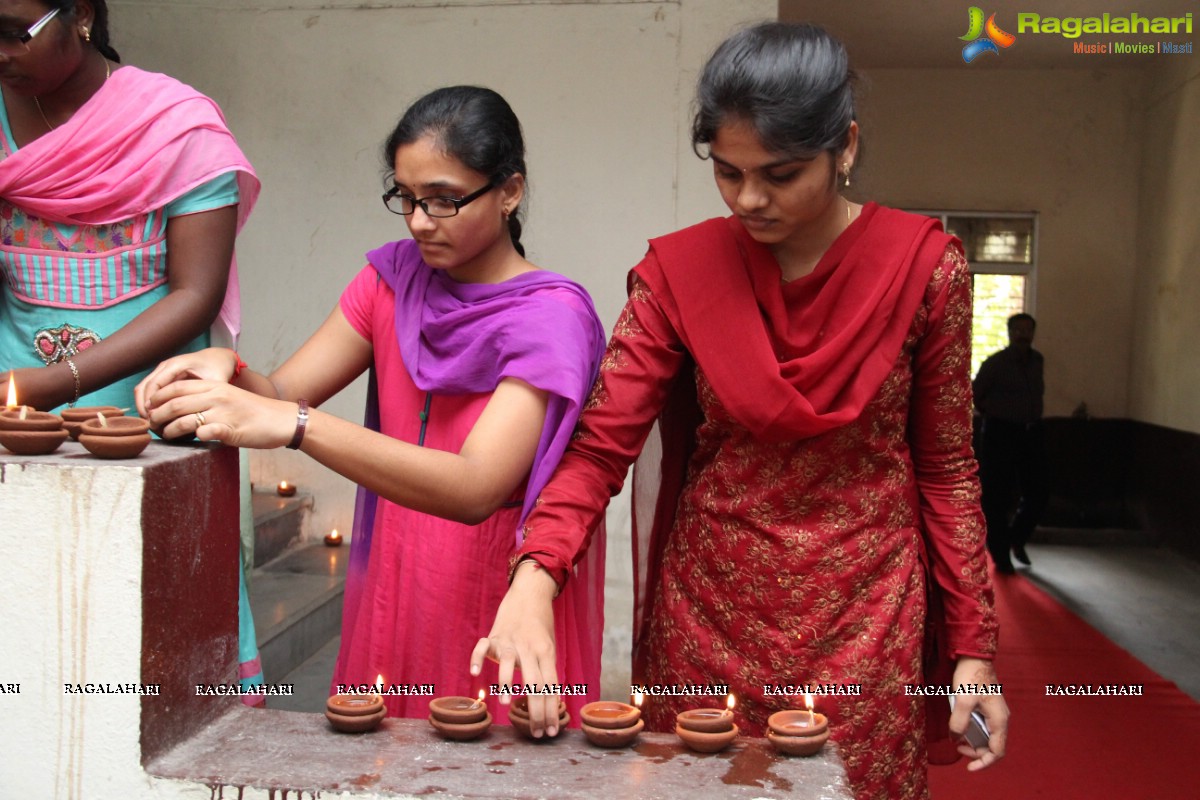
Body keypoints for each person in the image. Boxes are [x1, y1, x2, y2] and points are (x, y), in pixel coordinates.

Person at [472, 23, 1009, 799]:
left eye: (781, 174)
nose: (750, 198)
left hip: (870, 619)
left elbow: (949, 469)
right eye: (728, 172)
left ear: (846, 146)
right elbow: (598, 449)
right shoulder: (679, 274)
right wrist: (535, 574)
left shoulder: (927, 269)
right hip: (709, 616)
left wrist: (972, 647)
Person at [136, 86, 607, 723]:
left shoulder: (552, 317)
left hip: (493, 583)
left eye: (444, 200)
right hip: (400, 570)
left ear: (510, 191)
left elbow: (474, 486)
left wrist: (297, 427)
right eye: (406, 199)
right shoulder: (390, 280)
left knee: (483, 762)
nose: (418, 221)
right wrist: (228, 369)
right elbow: (277, 395)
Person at [0, 0, 266, 703]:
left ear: (80, 14)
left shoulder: (175, 127)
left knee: (148, 624)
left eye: (10, 31)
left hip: (147, 405)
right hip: (9, 400)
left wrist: (56, 382)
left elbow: (195, 294)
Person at [974, 312, 1047, 573]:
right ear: (1009, 332)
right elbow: (976, 394)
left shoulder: (1037, 361)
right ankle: (1000, 554)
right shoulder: (996, 363)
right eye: (1018, 329)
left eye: (1028, 330)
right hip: (1000, 433)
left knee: (1038, 492)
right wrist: (997, 414)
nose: (1023, 334)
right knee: (997, 497)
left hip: (1031, 433)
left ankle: (1017, 537)